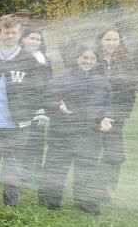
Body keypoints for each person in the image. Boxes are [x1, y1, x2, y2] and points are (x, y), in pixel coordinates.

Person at [0, 15, 49, 207]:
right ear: (0, 33)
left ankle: (10, 203)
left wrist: (34, 112)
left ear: (19, 34)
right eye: (6, 31)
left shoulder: (30, 60)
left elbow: (38, 90)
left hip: (18, 122)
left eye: (13, 32)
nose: (9, 35)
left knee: (13, 165)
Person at [40, 43, 113, 214]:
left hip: (89, 134)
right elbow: (47, 100)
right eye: (84, 58)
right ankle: (51, 200)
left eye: (92, 58)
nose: (88, 61)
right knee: (56, 167)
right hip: (62, 133)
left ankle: (85, 201)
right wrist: (58, 106)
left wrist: (106, 118)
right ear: (77, 58)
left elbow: (108, 104)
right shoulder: (62, 78)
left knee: (87, 169)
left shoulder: (102, 81)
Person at [96, 25, 137, 205]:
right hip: (93, 115)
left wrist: (114, 117)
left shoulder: (127, 64)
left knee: (115, 155)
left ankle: (105, 188)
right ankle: (88, 189)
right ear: (100, 41)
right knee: (90, 153)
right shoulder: (93, 60)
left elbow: (129, 94)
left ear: (120, 42)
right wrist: (99, 116)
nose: (111, 43)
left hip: (115, 117)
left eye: (115, 39)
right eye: (107, 39)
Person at [19, 24, 53, 193]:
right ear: (23, 39)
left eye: (38, 39)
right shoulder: (18, 57)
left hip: (41, 105)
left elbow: (49, 83)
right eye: (31, 37)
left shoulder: (45, 59)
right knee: (23, 140)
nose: (35, 41)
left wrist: (44, 107)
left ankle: (34, 173)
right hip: (23, 104)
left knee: (37, 141)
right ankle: (21, 173)